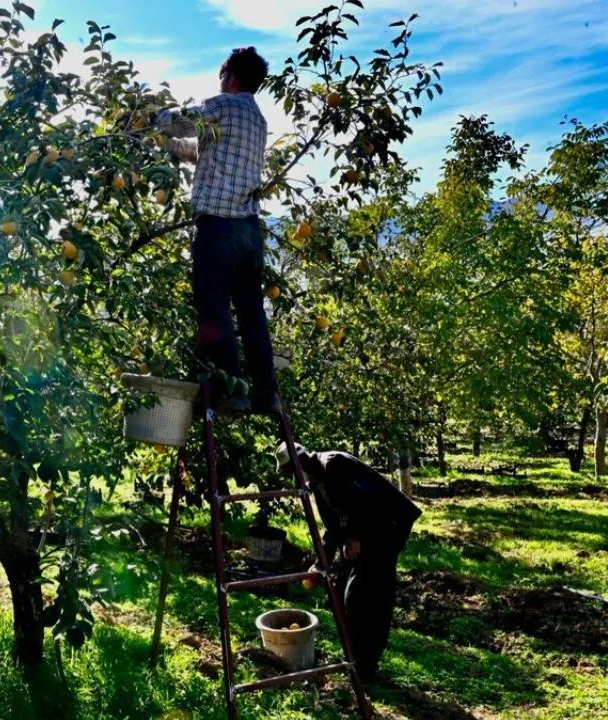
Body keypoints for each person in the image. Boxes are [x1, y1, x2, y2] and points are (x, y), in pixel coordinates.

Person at [156, 47, 278, 416]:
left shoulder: (224, 105)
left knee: (213, 309)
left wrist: (150, 117)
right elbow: (200, 149)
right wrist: (170, 147)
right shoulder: (256, 118)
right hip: (248, 231)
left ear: (231, 76)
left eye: (222, 75)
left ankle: (231, 390)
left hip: (218, 228)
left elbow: (178, 122)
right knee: (252, 313)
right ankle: (265, 392)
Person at [275, 442, 421, 681]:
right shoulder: (318, 482)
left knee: (365, 597)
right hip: (365, 534)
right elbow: (333, 525)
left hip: (386, 529)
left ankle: (365, 667)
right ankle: (353, 659)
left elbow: (370, 503)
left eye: (292, 471)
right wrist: (321, 562)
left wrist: (355, 536)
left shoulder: (334, 465)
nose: (295, 477)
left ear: (301, 462)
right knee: (342, 591)